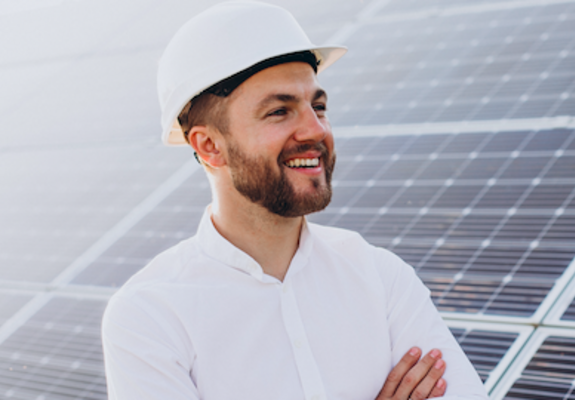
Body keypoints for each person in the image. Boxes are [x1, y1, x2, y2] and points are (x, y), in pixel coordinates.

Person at [101, 2, 488, 399]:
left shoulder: (382, 279)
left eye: (318, 106)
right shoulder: (149, 316)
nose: (315, 129)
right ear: (210, 145)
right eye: (280, 111)